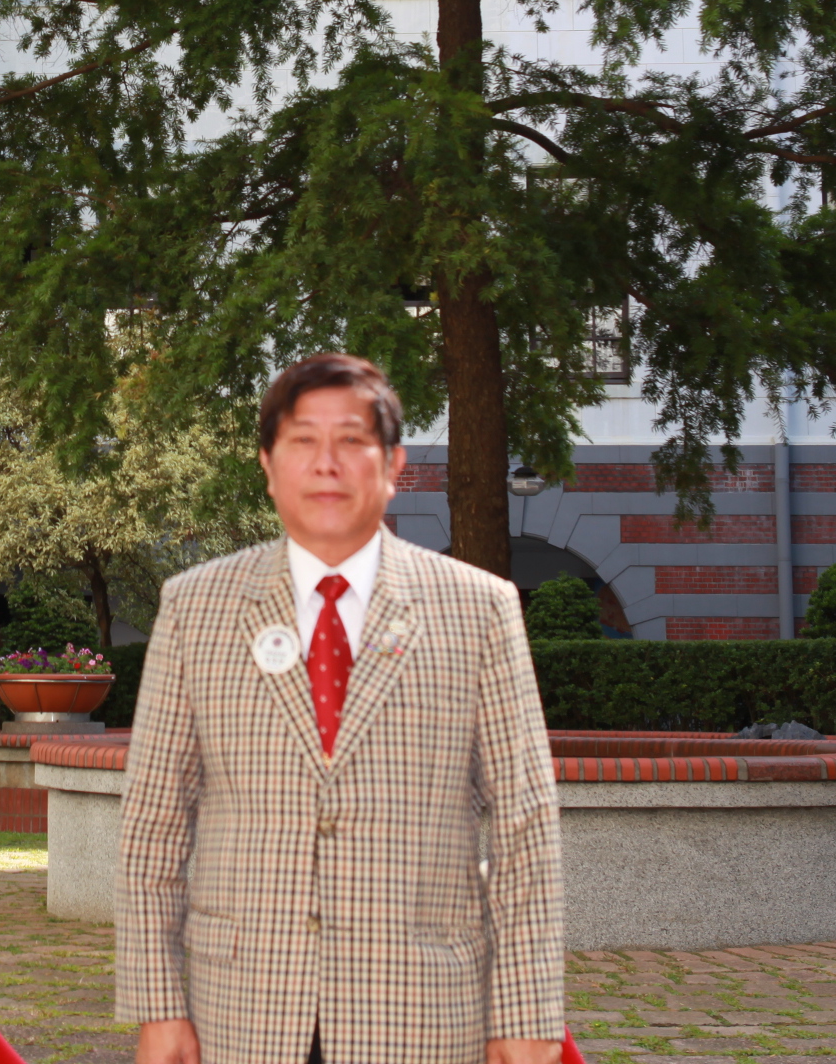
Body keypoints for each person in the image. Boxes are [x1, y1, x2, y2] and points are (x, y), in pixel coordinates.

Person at [116, 353, 562, 1064]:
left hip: (422, 1013)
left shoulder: (480, 609)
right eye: (303, 440)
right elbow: (154, 823)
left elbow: (525, 827)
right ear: (268, 465)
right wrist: (157, 1005)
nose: (327, 463)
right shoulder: (196, 607)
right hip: (241, 1011)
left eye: (352, 440)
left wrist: (526, 1013)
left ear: (393, 465)